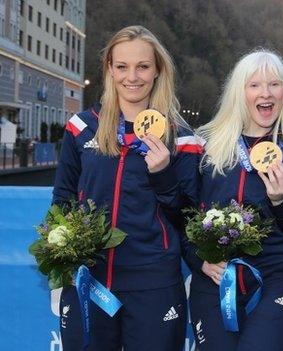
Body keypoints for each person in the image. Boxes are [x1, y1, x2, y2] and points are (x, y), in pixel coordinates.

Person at [53, 25, 202, 350]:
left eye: (143, 66)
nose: (132, 77)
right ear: (109, 68)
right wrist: (64, 256)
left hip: (154, 284)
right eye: (122, 66)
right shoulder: (81, 127)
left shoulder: (181, 136)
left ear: (158, 70)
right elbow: (63, 201)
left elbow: (190, 219)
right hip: (89, 280)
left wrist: (162, 175)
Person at [184, 49, 283, 351]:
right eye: (254, 85)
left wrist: (281, 201)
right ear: (238, 92)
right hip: (215, 280)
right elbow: (182, 215)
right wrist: (199, 260)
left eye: (274, 84)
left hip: (276, 279)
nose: (265, 93)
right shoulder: (206, 147)